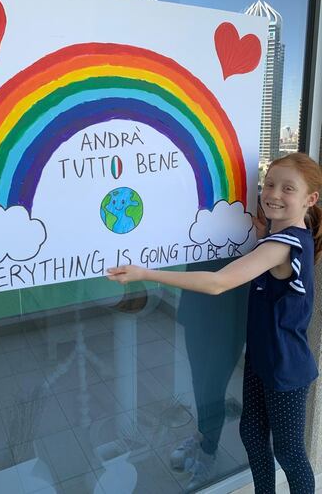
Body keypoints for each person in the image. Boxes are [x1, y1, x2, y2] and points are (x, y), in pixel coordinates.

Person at [107, 153, 322, 493]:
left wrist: (144, 273)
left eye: (288, 189)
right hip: (261, 361)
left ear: (311, 199)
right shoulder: (284, 237)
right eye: (269, 184)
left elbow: (218, 283)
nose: (273, 194)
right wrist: (263, 232)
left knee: (289, 452)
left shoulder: (282, 246)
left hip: (286, 369)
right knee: (252, 434)